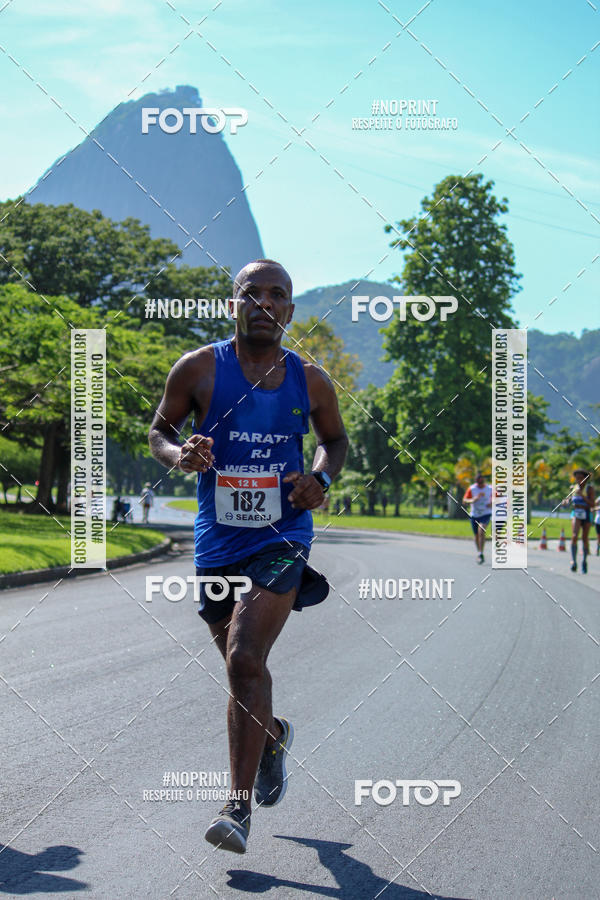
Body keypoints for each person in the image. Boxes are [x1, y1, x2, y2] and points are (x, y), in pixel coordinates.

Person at [148, 259, 348, 853]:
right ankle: (274, 735)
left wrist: (320, 479)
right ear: (232, 305)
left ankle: (235, 809)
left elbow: (334, 441)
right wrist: (179, 454)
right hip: (217, 540)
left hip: (282, 536)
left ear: (290, 310)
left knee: (243, 658)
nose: (264, 303)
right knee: (243, 670)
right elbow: (159, 430)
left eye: (277, 295)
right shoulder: (198, 368)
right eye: (251, 293)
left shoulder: (310, 380)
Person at [562, 469, 595, 573]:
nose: (578, 480)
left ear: (585, 479)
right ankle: (573, 561)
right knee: (574, 536)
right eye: (577, 478)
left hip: (586, 513)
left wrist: (582, 495)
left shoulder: (589, 489)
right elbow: (569, 500)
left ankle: (584, 561)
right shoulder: (573, 488)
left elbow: (592, 504)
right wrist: (565, 502)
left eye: (581, 478)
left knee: (584, 538)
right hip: (576, 513)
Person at [463, 472, 493, 564]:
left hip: (486, 513)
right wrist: (473, 500)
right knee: (476, 535)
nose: (480, 485)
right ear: (476, 482)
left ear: (484, 481)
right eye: (479, 483)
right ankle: (479, 552)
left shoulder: (490, 489)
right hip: (474, 515)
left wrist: (491, 503)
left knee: (481, 530)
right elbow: (464, 500)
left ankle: (481, 553)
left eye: (482, 483)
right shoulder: (472, 489)